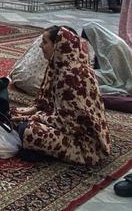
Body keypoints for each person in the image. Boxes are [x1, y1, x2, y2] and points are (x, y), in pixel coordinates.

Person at [13, 27, 111, 166]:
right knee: (16, 117)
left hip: (86, 146)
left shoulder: (70, 77)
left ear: (58, 46)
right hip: (76, 131)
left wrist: (33, 117)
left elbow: (68, 124)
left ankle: (45, 152)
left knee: (27, 130)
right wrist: (34, 111)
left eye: (45, 42)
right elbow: (51, 104)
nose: (41, 46)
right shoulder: (67, 66)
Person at [79, 21, 132, 98]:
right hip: (115, 74)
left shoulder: (112, 46)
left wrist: (91, 73)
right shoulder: (105, 41)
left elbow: (111, 75)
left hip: (118, 79)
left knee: (84, 77)